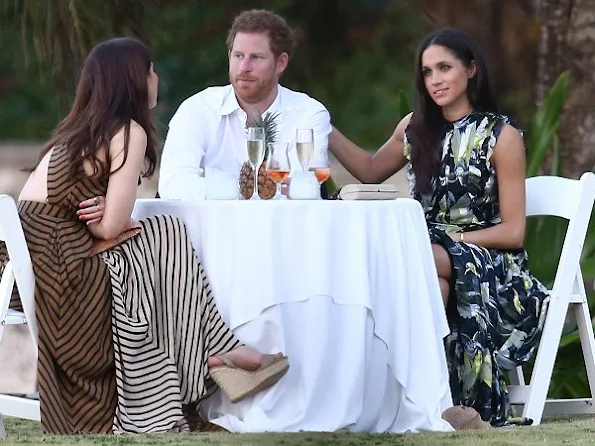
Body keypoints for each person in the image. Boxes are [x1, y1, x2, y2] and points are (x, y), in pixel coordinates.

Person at [0, 37, 288, 435]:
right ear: (134, 80)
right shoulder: (128, 132)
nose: (155, 78)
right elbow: (107, 228)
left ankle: (220, 350)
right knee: (166, 234)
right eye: (150, 70)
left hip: (38, 266)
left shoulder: (81, 131)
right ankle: (219, 350)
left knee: (160, 235)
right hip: (65, 280)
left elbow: (93, 222)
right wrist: (113, 224)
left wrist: (110, 221)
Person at [328, 28, 549, 425]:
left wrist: (452, 240)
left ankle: (379, 387)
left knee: (412, 260)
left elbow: (513, 232)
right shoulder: (416, 129)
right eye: (427, 72)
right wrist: (323, 126)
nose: (435, 80)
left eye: (444, 68)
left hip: (494, 267)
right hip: (430, 258)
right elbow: (368, 170)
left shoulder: (501, 135)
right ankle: (432, 405)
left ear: (471, 69)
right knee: (436, 284)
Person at [157, 9, 331, 201]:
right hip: (209, 229)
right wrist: (237, 191)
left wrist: (214, 187)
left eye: (256, 57)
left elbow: (304, 189)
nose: (244, 67)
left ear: (281, 63)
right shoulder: (198, 109)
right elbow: (172, 184)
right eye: (238, 56)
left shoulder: (308, 113)